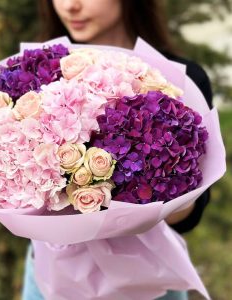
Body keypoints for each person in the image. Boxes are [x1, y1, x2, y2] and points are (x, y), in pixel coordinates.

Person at [22, 0, 213, 299]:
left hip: (148, 281)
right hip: (52, 276)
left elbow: (189, 215)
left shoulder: (181, 77)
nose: (71, 6)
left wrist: (154, 191)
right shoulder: (39, 73)